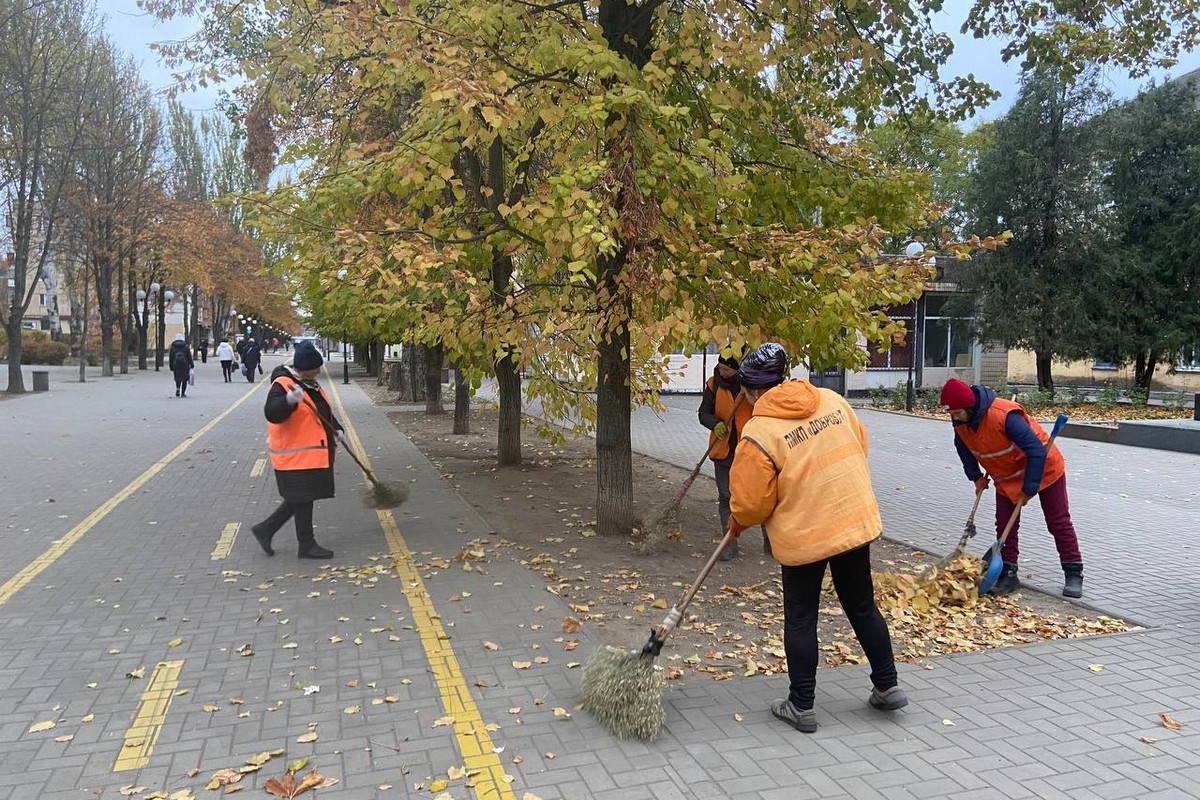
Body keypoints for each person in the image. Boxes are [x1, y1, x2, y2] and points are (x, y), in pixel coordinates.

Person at [728, 343, 906, 733]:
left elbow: (751, 504)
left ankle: (802, 705)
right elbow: (860, 445)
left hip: (805, 535)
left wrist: (739, 519)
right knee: (861, 606)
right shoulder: (831, 400)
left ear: (754, 390)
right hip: (852, 521)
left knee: (802, 617)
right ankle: (887, 685)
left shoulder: (759, 431)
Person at [940, 378, 1084, 598]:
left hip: (1044, 468)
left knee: (1058, 521)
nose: (954, 417)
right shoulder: (961, 422)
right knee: (1005, 524)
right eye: (952, 413)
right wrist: (976, 477)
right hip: (1007, 475)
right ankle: (1008, 573)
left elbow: (1036, 451)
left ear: (969, 407)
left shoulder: (1004, 416)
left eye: (957, 412)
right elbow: (964, 450)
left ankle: (1073, 572)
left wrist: (1029, 488)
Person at [251, 340, 341, 560]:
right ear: (304, 368)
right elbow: (272, 412)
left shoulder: (309, 384)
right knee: (302, 499)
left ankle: (266, 530)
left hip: (309, 455)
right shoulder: (282, 385)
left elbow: (321, 411)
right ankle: (305, 544)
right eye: (316, 368)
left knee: (300, 498)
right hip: (294, 455)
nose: (319, 372)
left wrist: (337, 429)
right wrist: (289, 401)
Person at [697, 352, 756, 561]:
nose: (722, 371)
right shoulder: (713, 384)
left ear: (736, 369)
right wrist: (716, 424)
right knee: (725, 497)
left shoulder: (749, 385)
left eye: (727, 369)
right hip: (722, 450)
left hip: (747, 450)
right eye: (721, 367)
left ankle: (771, 543)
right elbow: (703, 413)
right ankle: (729, 545)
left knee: (759, 496)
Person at [168, 333, 194, 398]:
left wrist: (171, 366)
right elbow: (189, 356)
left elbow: (171, 357)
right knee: (184, 379)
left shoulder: (173, 347)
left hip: (176, 365)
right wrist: (192, 364)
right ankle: (183, 393)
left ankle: (178, 388)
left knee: (178, 378)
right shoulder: (186, 347)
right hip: (185, 365)